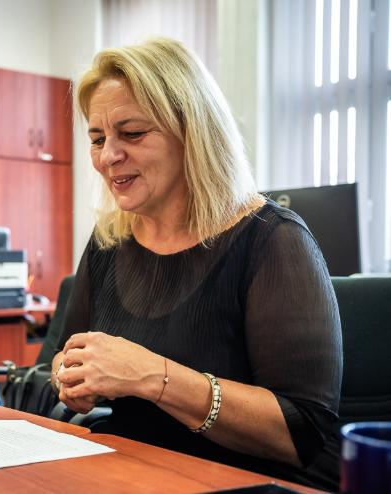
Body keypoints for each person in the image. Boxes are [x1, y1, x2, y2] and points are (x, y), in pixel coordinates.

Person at [52, 38, 342, 490]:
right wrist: (69, 376)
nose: (108, 156)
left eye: (132, 133)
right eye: (97, 139)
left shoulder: (274, 240)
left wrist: (153, 376)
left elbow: (302, 431)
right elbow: (65, 353)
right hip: (134, 473)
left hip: (244, 482)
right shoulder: (109, 241)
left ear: (193, 132)